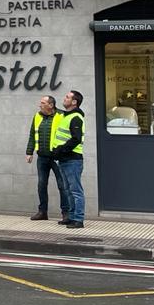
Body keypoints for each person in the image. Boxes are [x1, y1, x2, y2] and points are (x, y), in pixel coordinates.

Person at [24, 94, 66, 222]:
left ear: (51, 105)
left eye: (43, 103)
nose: (40, 105)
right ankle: (42, 212)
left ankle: (66, 213)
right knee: (41, 185)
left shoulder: (62, 116)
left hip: (57, 158)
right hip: (42, 157)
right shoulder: (37, 116)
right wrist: (29, 152)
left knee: (62, 185)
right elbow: (32, 134)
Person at [51, 89, 87, 228]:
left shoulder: (75, 117)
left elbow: (76, 139)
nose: (64, 99)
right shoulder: (67, 116)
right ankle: (71, 217)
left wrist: (61, 150)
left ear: (74, 102)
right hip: (65, 159)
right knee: (68, 190)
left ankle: (78, 219)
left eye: (67, 97)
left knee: (75, 191)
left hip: (72, 160)